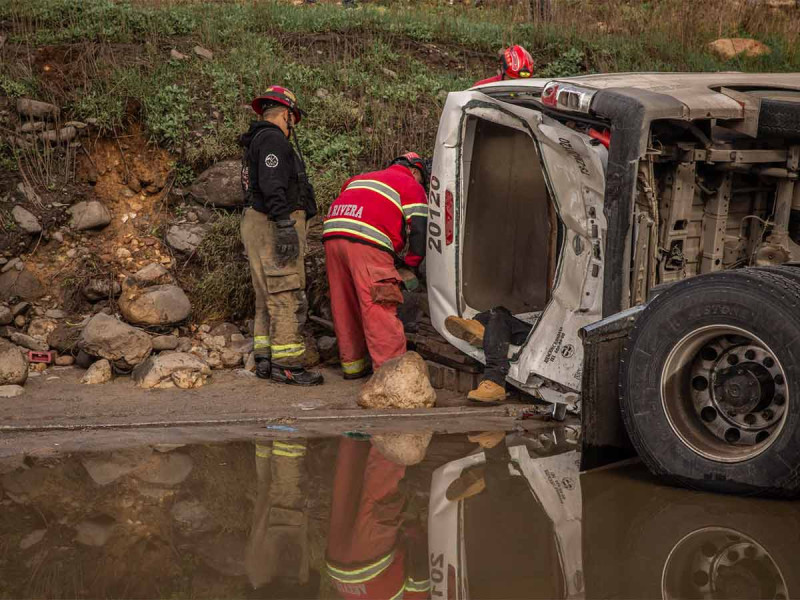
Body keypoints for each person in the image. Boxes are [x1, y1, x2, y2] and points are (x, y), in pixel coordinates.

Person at [240, 85, 323, 386]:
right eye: (293, 119)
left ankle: (264, 358)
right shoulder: (273, 140)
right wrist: (285, 224)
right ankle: (288, 366)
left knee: (266, 295)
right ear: (286, 114)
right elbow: (273, 184)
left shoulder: (257, 140)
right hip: (272, 223)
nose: (293, 127)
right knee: (285, 292)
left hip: (259, 223)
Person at [323, 153, 429, 380]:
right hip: (367, 240)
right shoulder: (410, 183)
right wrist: (411, 263)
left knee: (344, 302)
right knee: (379, 304)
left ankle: (353, 366)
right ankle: (392, 373)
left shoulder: (361, 178)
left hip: (333, 235)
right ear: (415, 171)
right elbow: (420, 229)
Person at [326, 438, 430, 600]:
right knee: (346, 487)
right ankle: (354, 432)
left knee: (380, 496)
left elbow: (419, 573)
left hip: (370, 563)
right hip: (337, 570)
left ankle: (392, 431)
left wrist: (415, 528)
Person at [445, 307, 533, 403]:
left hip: (544, 338)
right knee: (499, 311)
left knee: (500, 317)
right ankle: (480, 327)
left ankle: (495, 380)